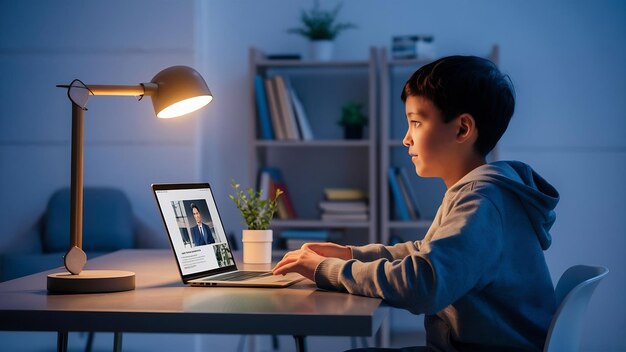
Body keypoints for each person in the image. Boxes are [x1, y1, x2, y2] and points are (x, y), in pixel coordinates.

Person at [273, 56, 560, 351]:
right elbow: (425, 253)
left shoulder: (481, 201)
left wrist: (327, 269)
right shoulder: (480, 192)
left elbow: (424, 283)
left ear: (462, 129)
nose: (406, 139)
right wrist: (348, 254)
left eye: (416, 123)